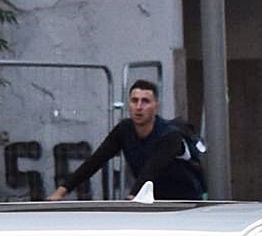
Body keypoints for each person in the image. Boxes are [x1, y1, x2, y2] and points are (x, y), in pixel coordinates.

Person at [47, 80, 206, 201]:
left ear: (156, 107)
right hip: (152, 201)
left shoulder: (170, 136)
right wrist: (61, 192)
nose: (138, 107)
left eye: (145, 101)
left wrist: (132, 198)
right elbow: (95, 161)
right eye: (134, 100)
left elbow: (149, 173)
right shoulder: (124, 130)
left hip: (186, 203)